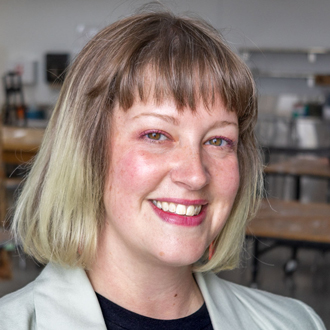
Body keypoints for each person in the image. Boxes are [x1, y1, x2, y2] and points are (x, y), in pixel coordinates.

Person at [0, 7, 325, 330]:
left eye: (218, 141)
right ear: (85, 152)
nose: (196, 174)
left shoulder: (298, 324)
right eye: (156, 135)